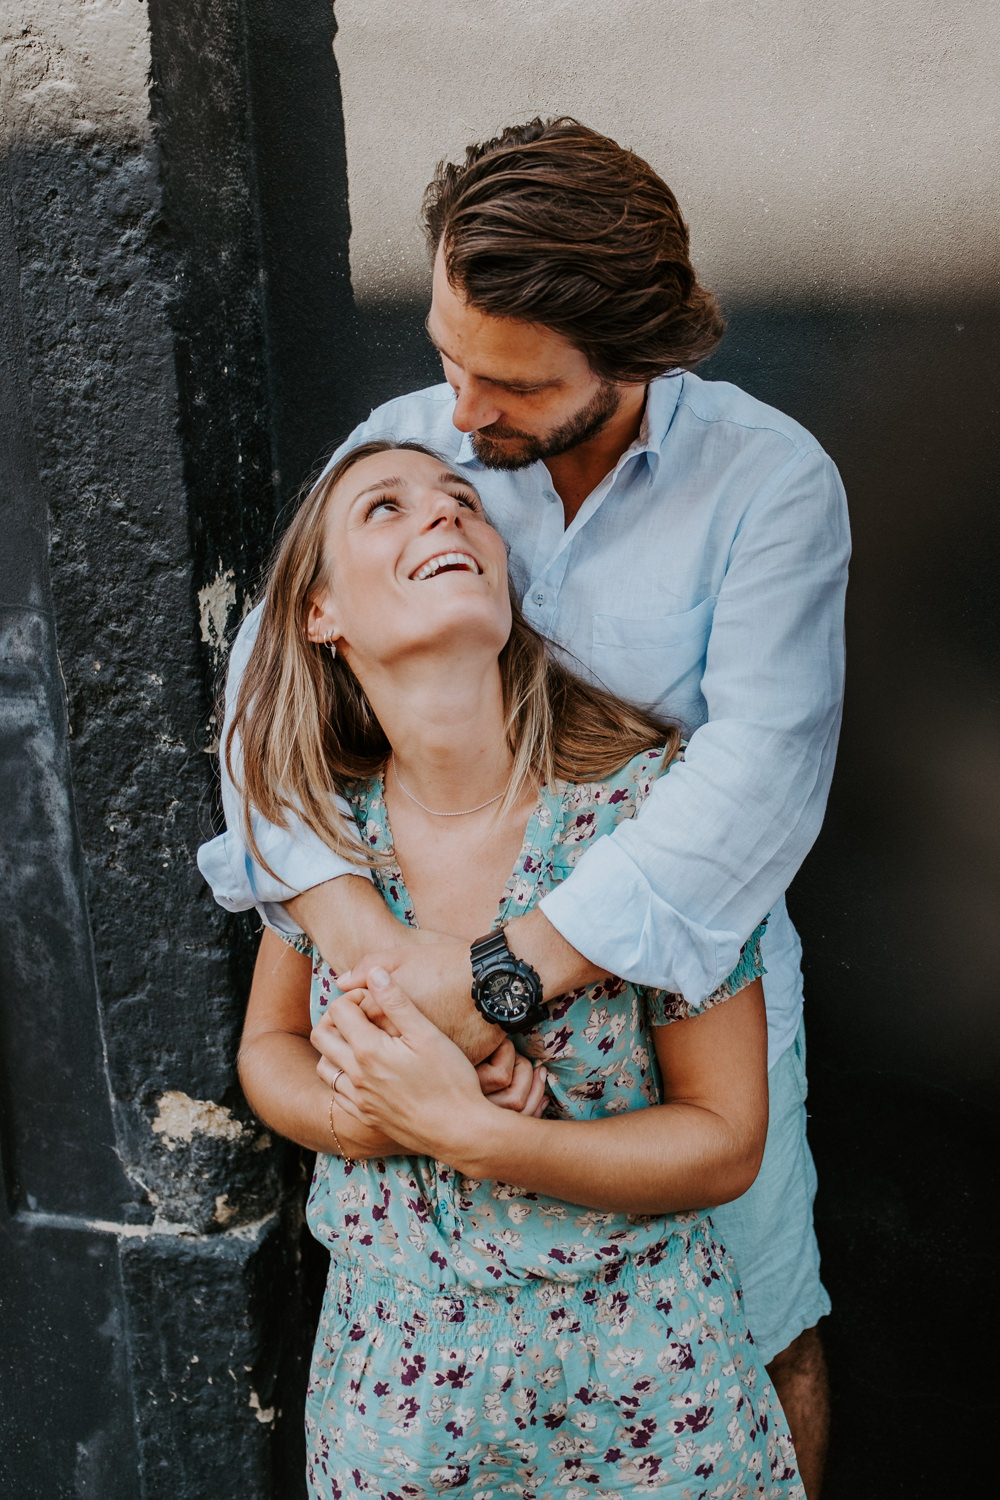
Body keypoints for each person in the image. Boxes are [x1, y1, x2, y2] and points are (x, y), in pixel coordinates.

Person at [199, 118, 849, 1495]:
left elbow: (756, 786)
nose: (460, 409)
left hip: (680, 992)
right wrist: (380, 969)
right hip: (416, 1257)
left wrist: (488, 987)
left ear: (638, 355)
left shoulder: (771, 485)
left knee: (766, 1331)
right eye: (446, 352)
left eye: (506, 382)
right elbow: (265, 720)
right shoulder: (410, 445)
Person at [233, 437, 802, 1497]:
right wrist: (364, 1118)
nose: (443, 516)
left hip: (647, 1392)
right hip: (393, 1404)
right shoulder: (324, 842)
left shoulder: (647, 821)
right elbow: (267, 1050)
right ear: (321, 615)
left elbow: (722, 1141)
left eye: (462, 502)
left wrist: (473, 1135)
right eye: (384, 509)